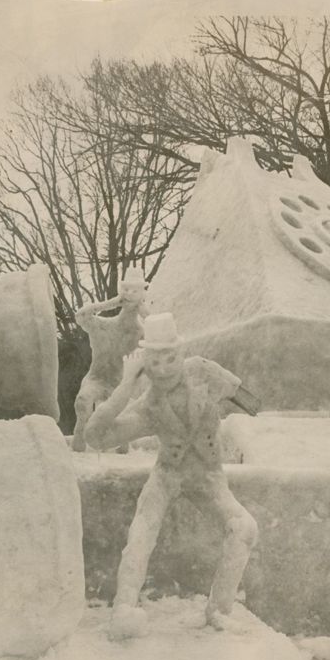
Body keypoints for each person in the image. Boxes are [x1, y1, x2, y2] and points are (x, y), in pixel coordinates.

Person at [85, 313, 259, 638]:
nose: (163, 368)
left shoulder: (204, 372)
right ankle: (124, 609)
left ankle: (219, 611)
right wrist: (125, 383)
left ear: (181, 352)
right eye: (154, 361)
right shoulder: (147, 405)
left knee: (245, 528)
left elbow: (249, 400)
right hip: (169, 475)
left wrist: (244, 413)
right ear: (143, 364)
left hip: (209, 475)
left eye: (171, 357)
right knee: (141, 531)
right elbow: (96, 436)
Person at [72, 266, 148, 452]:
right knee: (83, 402)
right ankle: (78, 450)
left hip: (119, 385)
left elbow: (162, 338)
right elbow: (81, 316)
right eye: (126, 290)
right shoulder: (104, 326)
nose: (129, 294)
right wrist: (111, 303)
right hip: (96, 379)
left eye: (135, 290)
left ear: (142, 294)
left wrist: (144, 310)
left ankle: (122, 456)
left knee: (122, 427)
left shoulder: (140, 332)